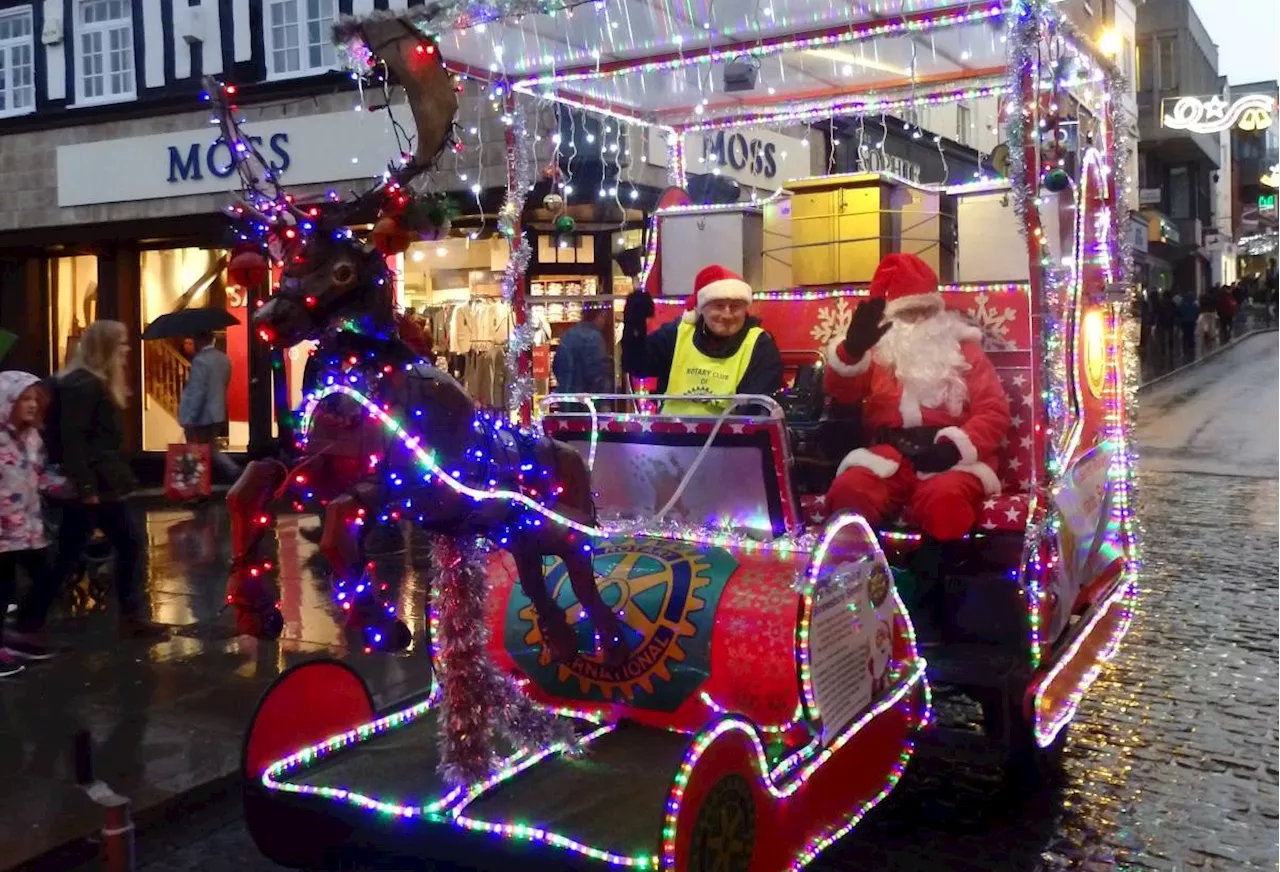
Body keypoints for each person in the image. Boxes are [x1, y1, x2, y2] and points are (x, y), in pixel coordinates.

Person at [823, 253, 1011, 542]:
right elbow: (841, 392)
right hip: (888, 455)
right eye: (908, 313)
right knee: (850, 492)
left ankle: (939, 583)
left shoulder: (965, 351)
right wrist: (851, 351)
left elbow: (993, 410)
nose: (919, 320)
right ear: (892, 317)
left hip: (950, 457)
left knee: (945, 504)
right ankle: (862, 578)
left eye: (927, 311)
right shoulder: (877, 352)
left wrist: (954, 448)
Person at [46, 321, 169, 641]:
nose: (127, 350)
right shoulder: (83, 385)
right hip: (96, 485)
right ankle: (32, 622)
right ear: (105, 349)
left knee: (73, 552)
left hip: (102, 483)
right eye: (122, 344)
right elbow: (75, 440)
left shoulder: (91, 382)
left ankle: (32, 622)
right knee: (122, 545)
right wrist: (87, 487)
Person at [621, 264, 783, 415]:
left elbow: (755, 414)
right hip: (669, 438)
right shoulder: (677, 333)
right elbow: (636, 365)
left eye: (735, 307)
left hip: (730, 442)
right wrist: (634, 324)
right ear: (701, 308)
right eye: (719, 306)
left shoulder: (760, 346)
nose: (727, 315)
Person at [0, 372, 63, 673]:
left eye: (35, 400)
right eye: (24, 399)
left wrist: (56, 485)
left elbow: (35, 474)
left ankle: (24, 633)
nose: (31, 406)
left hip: (29, 525)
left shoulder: (33, 436)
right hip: (4, 529)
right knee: (4, 587)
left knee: (45, 576)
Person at [177, 331, 240, 482]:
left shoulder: (200, 361)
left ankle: (198, 486)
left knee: (197, 451)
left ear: (200, 341)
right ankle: (234, 472)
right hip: (217, 412)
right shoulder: (224, 359)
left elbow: (198, 391)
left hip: (201, 415)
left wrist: (190, 417)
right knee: (210, 449)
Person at [552, 305, 612, 396]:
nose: (604, 322)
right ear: (598, 316)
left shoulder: (569, 334)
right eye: (603, 317)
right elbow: (598, 370)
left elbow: (557, 364)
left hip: (567, 394)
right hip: (589, 396)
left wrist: (564, 385)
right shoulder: (595, 337)